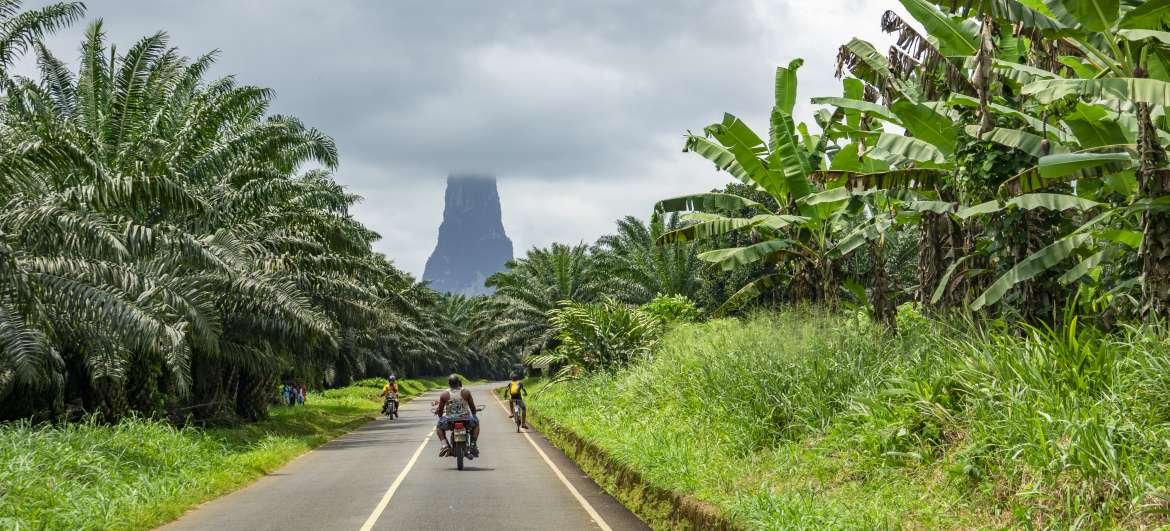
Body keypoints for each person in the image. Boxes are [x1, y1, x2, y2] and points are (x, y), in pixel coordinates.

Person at [434, 374, 479, 457]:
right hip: (465, 419)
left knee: (439, 428)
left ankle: (445, 445)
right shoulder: (466, 392)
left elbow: (440, 410)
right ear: (459, 382)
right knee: (476, 424)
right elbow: (472, 407)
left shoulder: (444, 394)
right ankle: (473, 443)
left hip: (450, 420)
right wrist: (474, 414)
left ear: (449, 383)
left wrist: (440, 416)